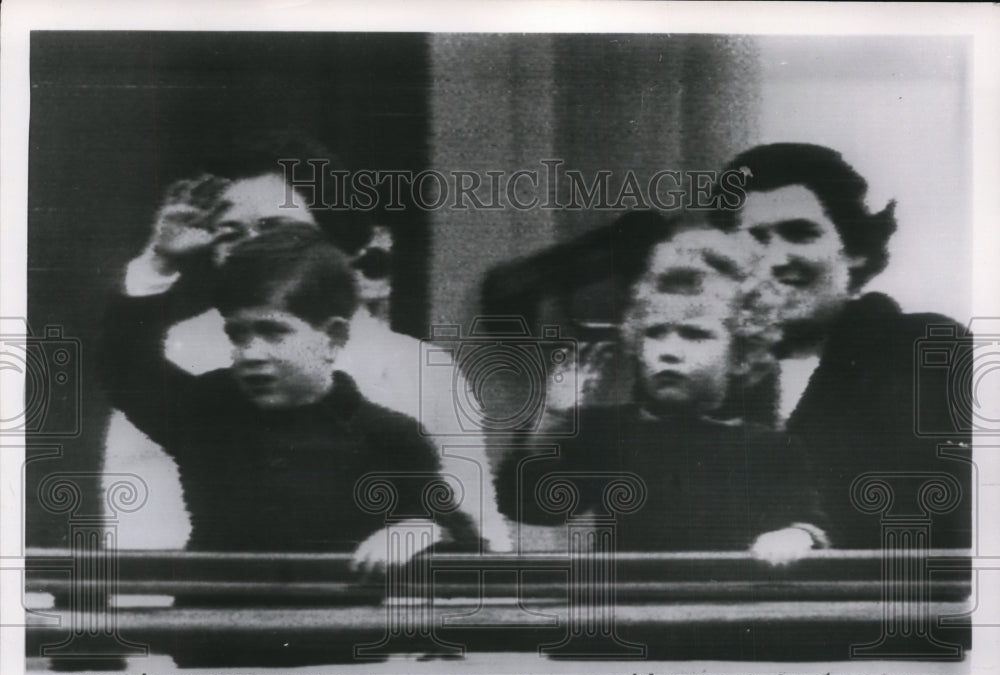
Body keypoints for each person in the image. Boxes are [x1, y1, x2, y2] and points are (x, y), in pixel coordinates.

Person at [100, 220, 479, 566]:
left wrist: (417, 532)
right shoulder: (208, 410)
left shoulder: (390, 437)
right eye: (238, 334)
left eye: (273, 332)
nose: (250, 354)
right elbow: (122, 367)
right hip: (210, 632)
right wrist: (159, 263)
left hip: (332, 637)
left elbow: (465, 542)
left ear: (332, 337)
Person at [495, 227, 827, 564]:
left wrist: (793, 536)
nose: (669, 351)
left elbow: (808, 522)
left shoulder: (768, 448)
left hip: (724, 607)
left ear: (740, 354)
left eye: (694, 334)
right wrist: (553, 418)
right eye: (655, 333)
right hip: (625, 607)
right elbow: (525, 503)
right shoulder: (609, 433)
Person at [710, 143, 971, 548]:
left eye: (801, 233)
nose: (777, 258)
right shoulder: (707, 374)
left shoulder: (927, 352)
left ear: (856, 250)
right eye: (755, 239)